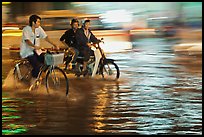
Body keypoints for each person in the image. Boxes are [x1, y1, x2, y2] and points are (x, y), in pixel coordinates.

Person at [20, 14, 59, 89]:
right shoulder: (26, 29)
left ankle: (40, 75)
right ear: (33, 22)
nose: (39, 24)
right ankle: (32, 83)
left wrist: (54, 44)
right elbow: (27, 41)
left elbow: (45, 37)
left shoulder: (39, 29)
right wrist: (34, 46)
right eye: (38, 22)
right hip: (28, 51)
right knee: (37, 66)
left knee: (48, 60)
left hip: (37, 51)